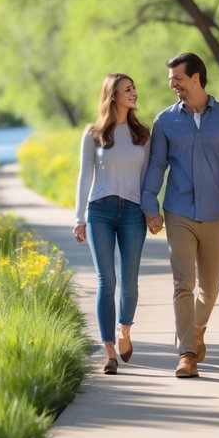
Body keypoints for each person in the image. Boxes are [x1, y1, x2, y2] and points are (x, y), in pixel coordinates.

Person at [141, 52, 219, 379]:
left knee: (211, 288)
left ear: (196, 78)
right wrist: (150, 205)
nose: (173, 84)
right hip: (178, 212)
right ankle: (186, 354)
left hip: (217, 212)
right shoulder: (165, 121)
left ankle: (197, 328)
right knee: (183, 283)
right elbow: (157, 166)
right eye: (171, 79)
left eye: (177, 78)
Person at [74, 72, 151, 375]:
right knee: (107, 281)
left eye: (134, 88)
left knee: (129, 281)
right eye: (127, 89)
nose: (134, 93)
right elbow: (84, 177)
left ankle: (125, 330)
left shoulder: (143, 134)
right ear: (112, 96)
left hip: (133, 212)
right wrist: (79, 217)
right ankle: (108, 351)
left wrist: (149, 211)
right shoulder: (93, 133)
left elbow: (147, 180)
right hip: (100, 212)